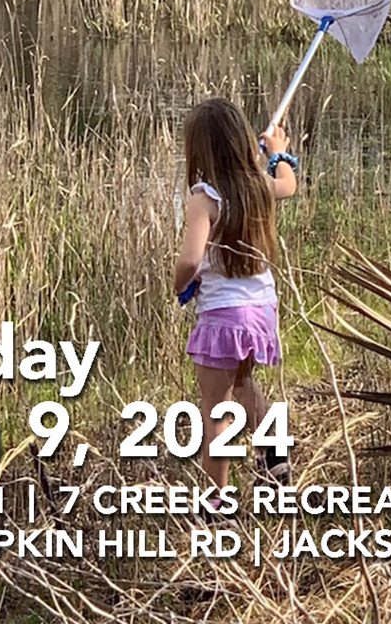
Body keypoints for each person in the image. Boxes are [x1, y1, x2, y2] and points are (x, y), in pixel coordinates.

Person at [174, 97, 297, 498]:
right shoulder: (258, 185)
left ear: (199, 150)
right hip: (261, 311)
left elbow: (190, 260)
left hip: (222, 317)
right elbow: (288, 185)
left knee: (216, 414)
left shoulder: (202, 198)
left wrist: (180, 285)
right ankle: (275, 453)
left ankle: (215, 502)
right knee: (243, 381)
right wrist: (280, 155)